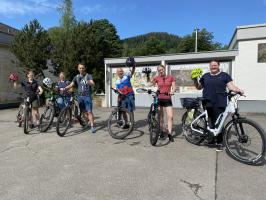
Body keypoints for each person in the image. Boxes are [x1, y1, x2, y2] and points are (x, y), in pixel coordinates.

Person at [192, 60, 244, 150]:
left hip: (220, 102)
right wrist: (194, 80)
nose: (213, 67)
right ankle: (211, 139)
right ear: (209, 66)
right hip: (207, 101)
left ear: (218, 65)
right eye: (212, 65)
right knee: (210, 121)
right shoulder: (205, 76)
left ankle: (219, 142)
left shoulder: (224, 75)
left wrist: (238, 90)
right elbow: (199, 87)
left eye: (215, 65)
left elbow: (231, 86)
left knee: (219, 123)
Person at [62, 63, 96, 133]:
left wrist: (88, 82)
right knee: (84, 112)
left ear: (84, 68)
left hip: (87, 96)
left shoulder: (88, 76)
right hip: (80, 97)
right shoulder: (76, 77)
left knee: (89, 111)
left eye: (82, 68)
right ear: (78, 69)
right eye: (80, 68)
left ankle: (92, 126)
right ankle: (87, 124)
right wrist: (65, 88)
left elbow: (93, 83)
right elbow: (71, 84)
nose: (81, 69)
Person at [151, 64, 176, 142]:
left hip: (167, 99)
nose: (161, 71)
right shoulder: (157, 78)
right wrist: (153, 76)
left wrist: (172, 91)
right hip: (159, 99)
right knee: (161, 117)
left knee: (170, 116)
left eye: (161, 69)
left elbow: (174, 87)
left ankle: (169, 133)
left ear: (164, 69)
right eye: (159, 70)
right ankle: (161, 131)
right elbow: (150, 83)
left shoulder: (170, 77)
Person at [115, 59, 136, 128]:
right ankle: (126, 123)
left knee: (130, 110)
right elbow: (118, 90)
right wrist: (118, 93)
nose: (120, 72)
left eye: (121, 71)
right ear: (117, 73)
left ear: (123, 72)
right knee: (123, 110)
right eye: (119, 71)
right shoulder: (117, 81)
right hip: (123, 97)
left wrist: (133, 66)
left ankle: (132, 123)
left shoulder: (127, 76)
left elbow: (132, 72)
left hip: (129, 95)